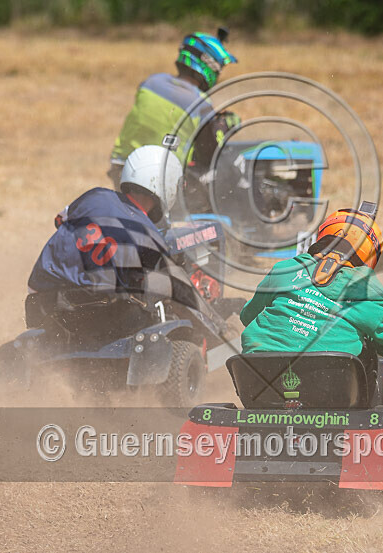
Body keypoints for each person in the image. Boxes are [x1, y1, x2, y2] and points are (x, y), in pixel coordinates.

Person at [26, 145, 183, 339]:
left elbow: (59, 220)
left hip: (41, 303)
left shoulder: (95, 196)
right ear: (166, 185)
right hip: (102, 317)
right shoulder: (153, 236)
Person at [240, 204, 383, 360]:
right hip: (330, 383)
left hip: (257, 375)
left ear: (322, 237)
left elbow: (248, 316)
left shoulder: (285, 269)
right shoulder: (366, 293)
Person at [108, 29, 239, 186]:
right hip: (158, 179)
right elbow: (209, 155)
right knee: (229, 169)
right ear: (209, 66)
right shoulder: (201, 103)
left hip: (121, 168)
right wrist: (223, 127)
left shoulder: (151, 82)